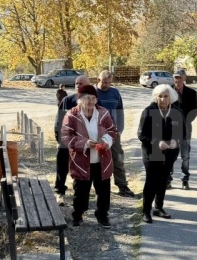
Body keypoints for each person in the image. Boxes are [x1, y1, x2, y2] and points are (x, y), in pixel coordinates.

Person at [61, 84, 117, 228]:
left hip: (102, 159)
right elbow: (66, 137)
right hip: (81, 160)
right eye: (87, 98)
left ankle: (102, 215)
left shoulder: (103, 113)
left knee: (104, 190)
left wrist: (105, 141)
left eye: (93, 98)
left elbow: (112, 131)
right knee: (81, 191)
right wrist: (85, 143)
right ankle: (78, 215)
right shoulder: (72, 115)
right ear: (80, 99)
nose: (91, 102)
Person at [138, 84, 184, 223]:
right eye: (160, 96)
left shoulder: (177, 111)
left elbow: (183, 132)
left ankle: (158, 207)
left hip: (170, 154)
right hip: (152, 153)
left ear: (171, 97)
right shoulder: (148, 111)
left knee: (163, 181)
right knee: (151, 181)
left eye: (166, 96)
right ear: (155, 97)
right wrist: (156, 142)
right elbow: (141, 134)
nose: (163, 99)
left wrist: (177, 141)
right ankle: (146, 211)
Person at [96, 70, 136, 197]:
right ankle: (100, 188)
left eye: (108, 82)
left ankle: (122, 186)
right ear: (98, 80)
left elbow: (120, 112)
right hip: (96, 133)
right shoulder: (92, 93)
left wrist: (119, 130)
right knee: (98, 161)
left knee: (118, 159)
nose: (106, 85)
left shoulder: (115, 92)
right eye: (104, 82)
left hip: (113, 132)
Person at [54, 75, 91, 205]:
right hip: (67, 140)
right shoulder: (67, 100)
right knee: (62, 164)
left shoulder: (94, 101)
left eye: (81, 83)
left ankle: (81, 195)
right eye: (76, 83)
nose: (78, 86)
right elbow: (59, 121)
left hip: (85, 142)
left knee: (83, 168)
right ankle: (59, 191)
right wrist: (60, 140)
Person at [170, 68, 197, 190]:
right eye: (176, 77)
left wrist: (185, 122)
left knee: (185, 156)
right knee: (170, 155)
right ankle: (168, 179)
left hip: (186, 128)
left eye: (180, 77)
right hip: (170, 129)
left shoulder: (192, 93)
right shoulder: (167, 91)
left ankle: (185, 179)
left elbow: (194, 111)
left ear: (185, 78)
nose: (178, 80)